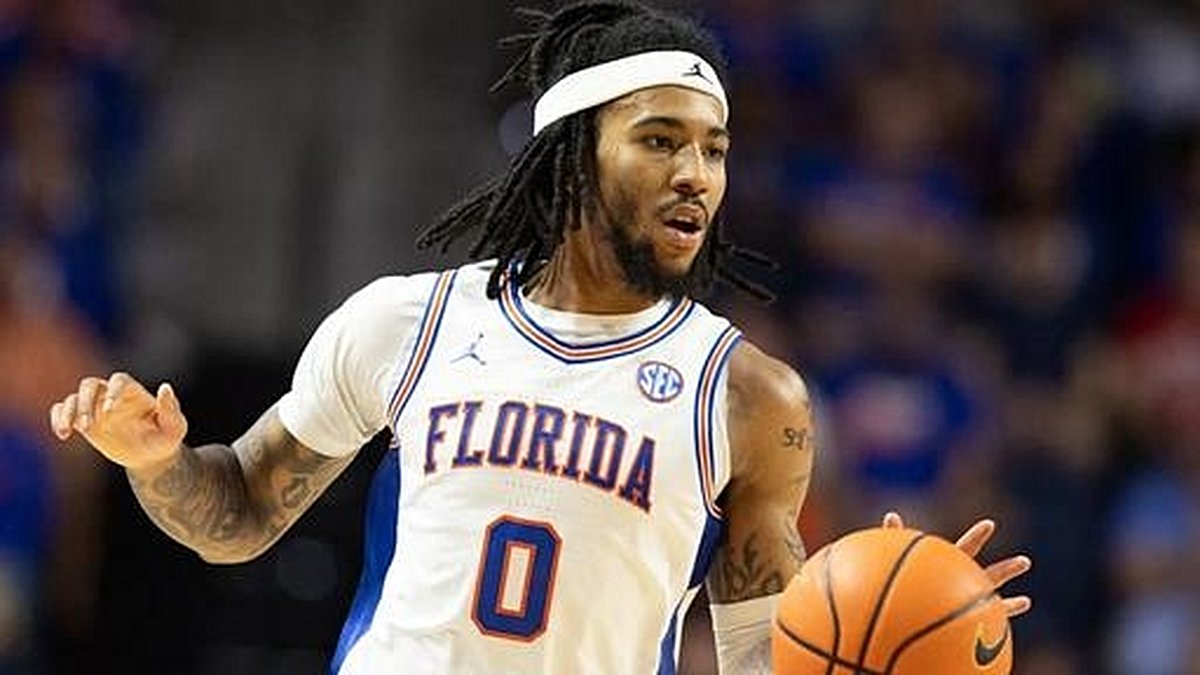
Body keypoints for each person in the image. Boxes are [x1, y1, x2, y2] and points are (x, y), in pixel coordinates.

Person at [48, 2, 1031, 672]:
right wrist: (159, 462)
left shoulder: (748, 395)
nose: (695, 173)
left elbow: (761, 655)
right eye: (660, 140)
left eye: (714, 149)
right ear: (571, 155)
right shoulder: (408, 322)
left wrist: (902, 616)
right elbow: (236, 515)